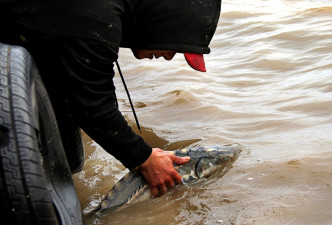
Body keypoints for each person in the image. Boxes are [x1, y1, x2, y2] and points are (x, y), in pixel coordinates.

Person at [0, 0, 221, 197]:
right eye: (175, 47)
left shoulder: (105, 15)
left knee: (69, 159)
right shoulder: (92, 14)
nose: (170, 57)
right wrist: (144, 158)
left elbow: (88, 87)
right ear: (163, 22)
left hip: (34, 39)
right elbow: (92, 105)